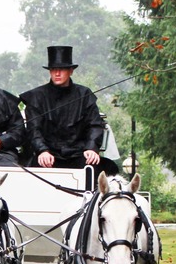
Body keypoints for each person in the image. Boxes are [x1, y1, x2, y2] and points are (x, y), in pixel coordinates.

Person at [20, 46, 119, 175]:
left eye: (61, 69)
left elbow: (94, 125)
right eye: (53, 69)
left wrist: (91, 148)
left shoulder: (84, 95)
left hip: (79, 154)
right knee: (36, 167)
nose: (57, 73)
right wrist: (42, 150)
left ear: (71, 71)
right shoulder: (36, 97)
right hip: (48, 155)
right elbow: (34, 129)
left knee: (95, 167)